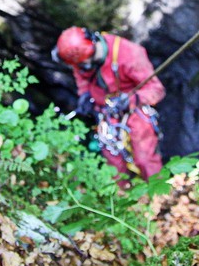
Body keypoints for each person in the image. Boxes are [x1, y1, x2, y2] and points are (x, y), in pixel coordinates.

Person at [52, 26, 165, 181]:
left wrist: (130, 100)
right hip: (106, 115)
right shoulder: (80, 61)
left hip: (134, 112)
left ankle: (160, 197)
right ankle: (123, 202)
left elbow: (156, 89)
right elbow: (82, 78)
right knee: (114, 169)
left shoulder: (129, 54)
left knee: (145, 160)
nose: (79, 69)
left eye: (82, 65)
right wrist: (85, 95)